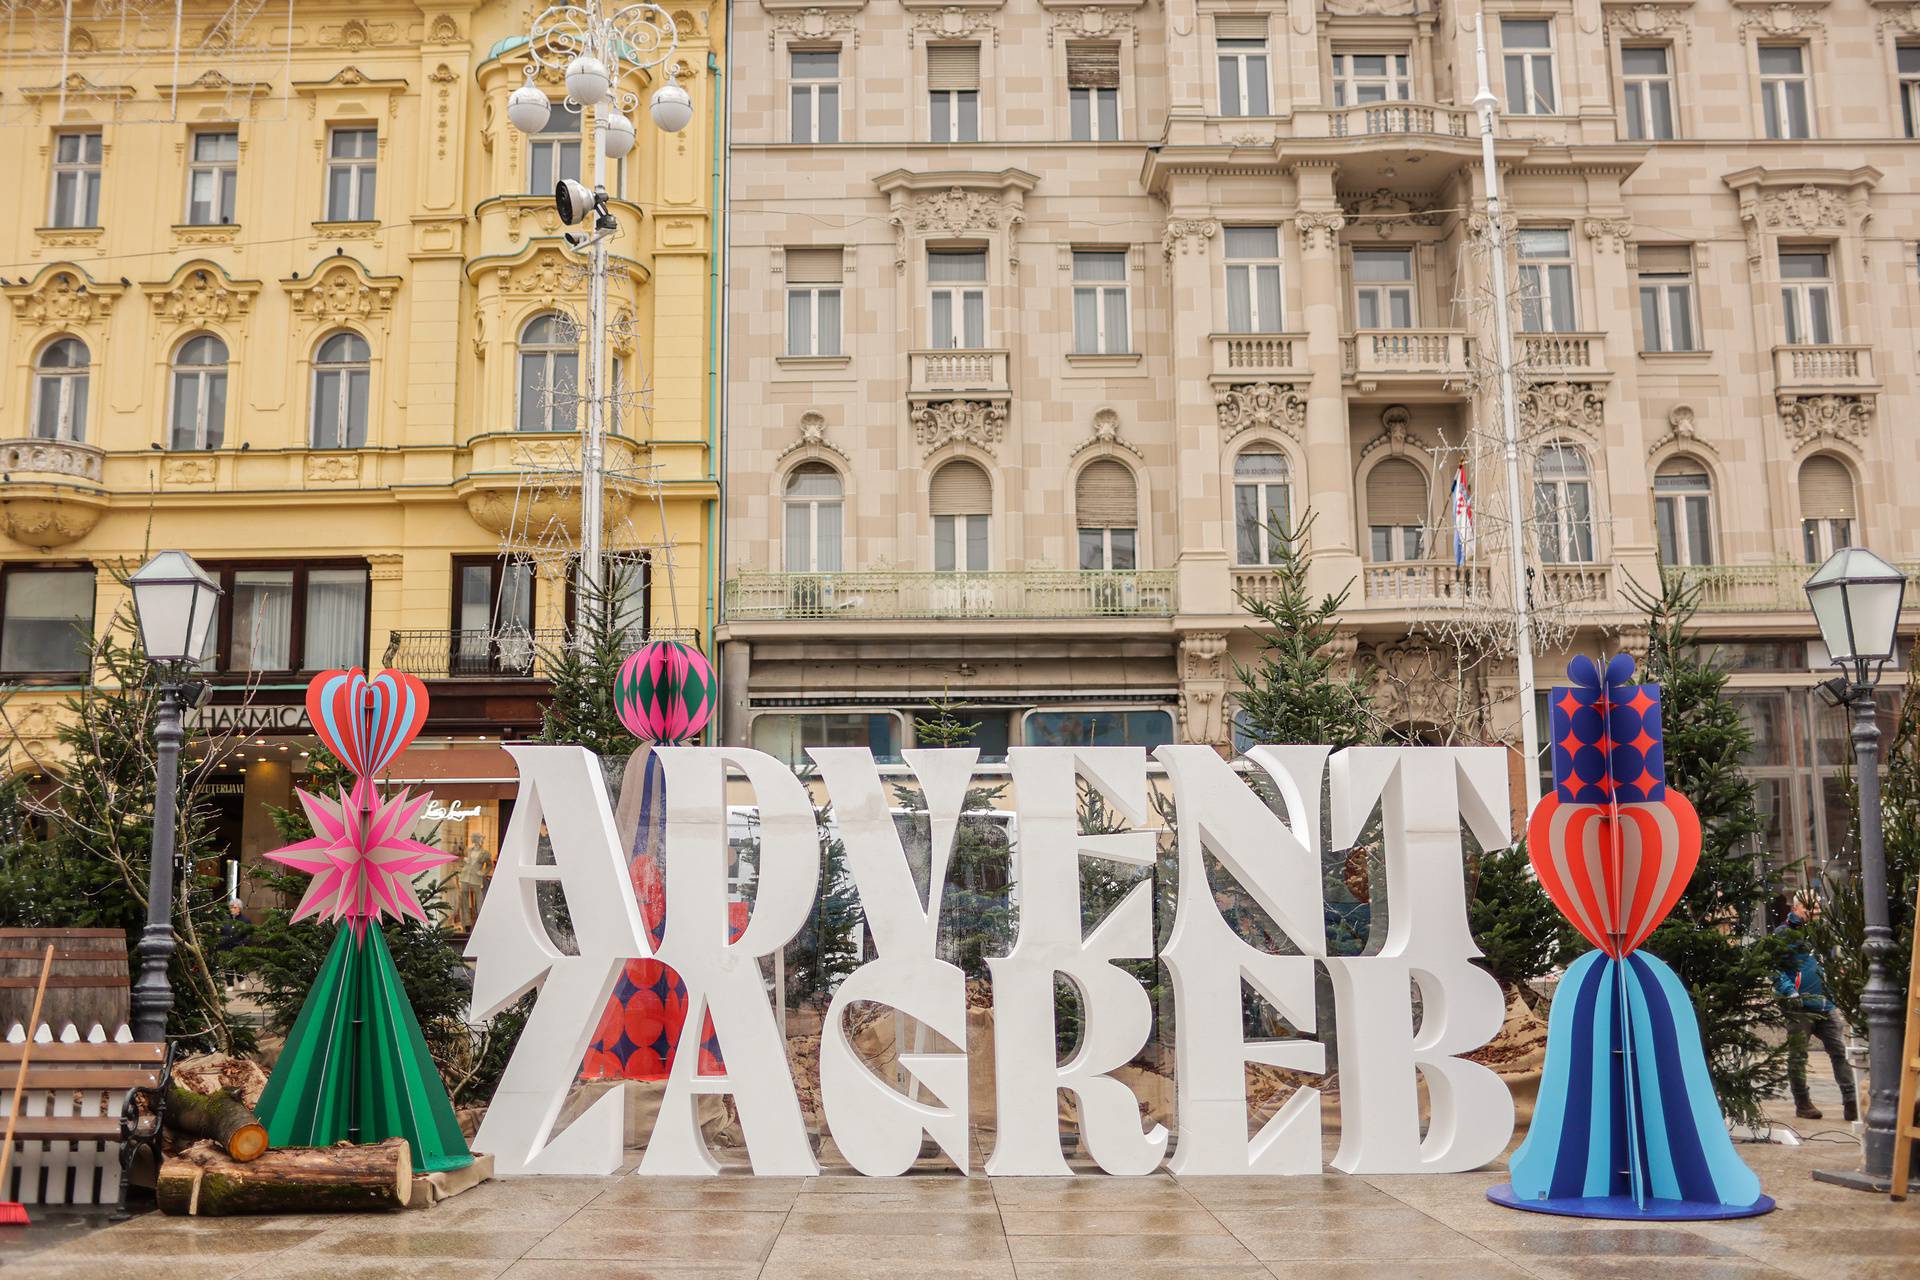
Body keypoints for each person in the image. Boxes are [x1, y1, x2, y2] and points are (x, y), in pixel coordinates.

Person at [1771, 893, 1857, 1122]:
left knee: (1839, 1052)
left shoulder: (1823, 932)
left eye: (1819, 907)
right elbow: (1774, 967)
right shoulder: (1784, 933)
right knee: (1798, 1056)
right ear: (1797, 907)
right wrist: (1791, 992)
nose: (1817, 911)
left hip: (1825, 1002)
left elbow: (1833, 959)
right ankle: (1802, 1102)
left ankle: (1851, 1101)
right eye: (1812, 907)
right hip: (1799, 1005)